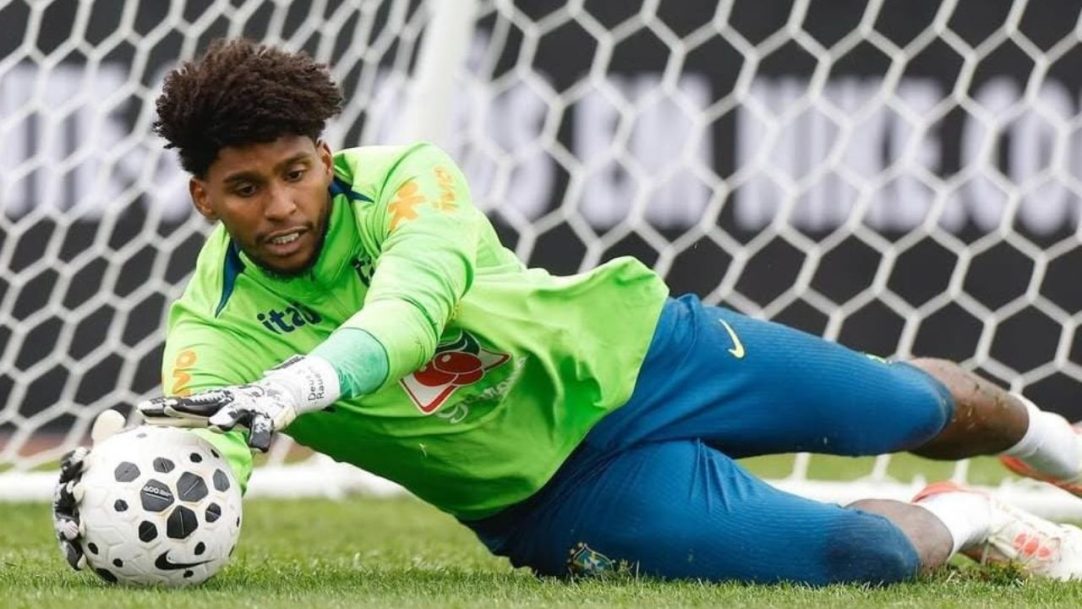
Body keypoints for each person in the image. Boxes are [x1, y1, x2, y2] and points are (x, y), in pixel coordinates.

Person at [54, 39, 1082, 585]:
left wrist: (299, 388)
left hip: (649, 356)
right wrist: (140, 483)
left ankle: (1058, 450)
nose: (281, 208)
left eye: (295, 173)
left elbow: (410, 311)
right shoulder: (210, 333)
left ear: (326, 156)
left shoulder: (410, 178)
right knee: (860, 560)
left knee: (912, 408)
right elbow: (208, 456)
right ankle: (976, 516)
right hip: (558, 497)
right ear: (202, 198)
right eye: (245, 189)